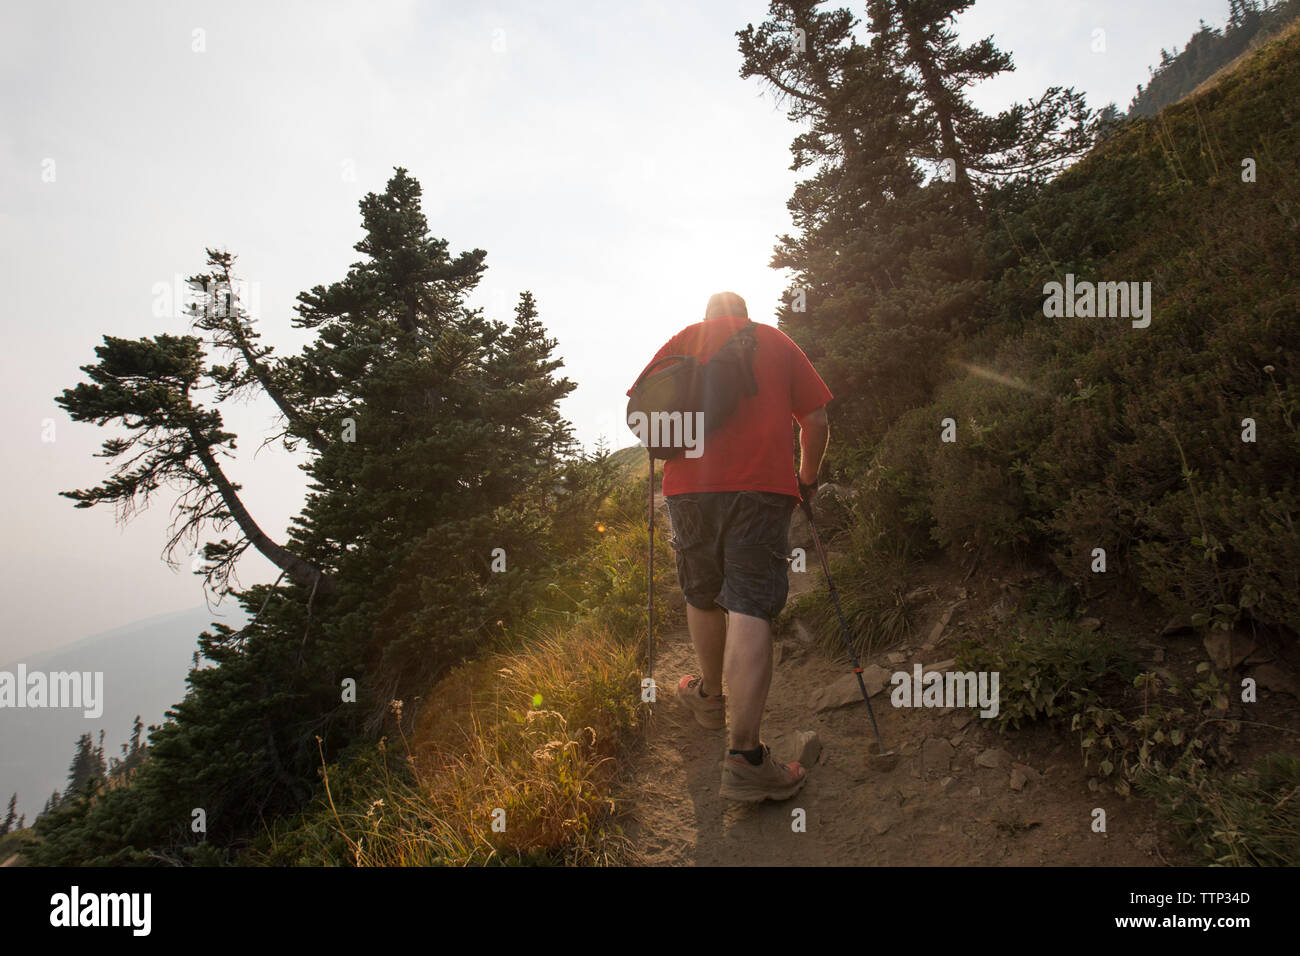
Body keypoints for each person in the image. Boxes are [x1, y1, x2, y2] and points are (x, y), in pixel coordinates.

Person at [626, 291, 832, 802]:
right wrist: (805, 478)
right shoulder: (777, 341)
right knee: (750, 603)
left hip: (688, 490)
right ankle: (744, 758)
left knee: (702, 593)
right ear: (743, 311)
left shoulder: (684, 341)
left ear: (708, 316)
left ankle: (710, 699)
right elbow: (817, 421)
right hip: (761, 489)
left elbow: (641, 409)